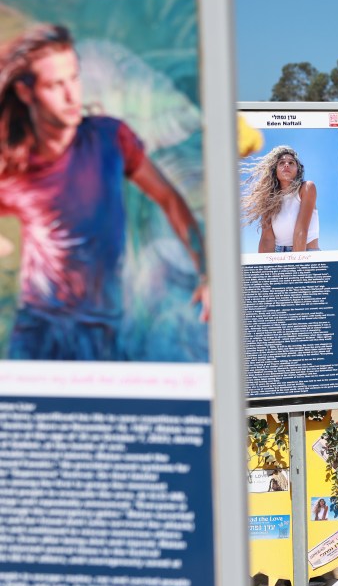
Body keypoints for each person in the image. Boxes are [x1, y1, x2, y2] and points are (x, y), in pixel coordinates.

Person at [0, 23, 208, 361]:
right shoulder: (14, 165)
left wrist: (205, 272)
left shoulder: (111, 138)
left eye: (74, 78)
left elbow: (169, 199)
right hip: (37, 329)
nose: (72, 95)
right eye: (56, 85)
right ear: (27, 93)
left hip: (103, 328)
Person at [242, 145, 319, 252]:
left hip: (306, 251)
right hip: (278, 254)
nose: (286, 165)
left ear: (298, 170)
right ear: (275, 170)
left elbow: (301, 230)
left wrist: (297, 264)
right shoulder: (269, 198)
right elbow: (267, 239)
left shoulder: (306, 188)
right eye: (281, 163)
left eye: (291, 163)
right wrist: (264, 266)